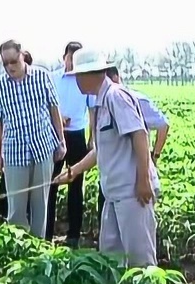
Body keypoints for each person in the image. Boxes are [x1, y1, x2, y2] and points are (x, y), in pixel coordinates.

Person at [53, 47, 159, 268]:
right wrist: (74, 171)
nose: (76, 82)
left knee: (141, 262)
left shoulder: (115, 97)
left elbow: (140, 135)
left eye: (78, 76)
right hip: (114, 193)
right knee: (111, 257)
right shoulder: (101, 102)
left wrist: (143, 180)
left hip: (132, 192)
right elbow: (102, 150)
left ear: (90, 75)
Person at [0, 39, 66, 238]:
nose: (9, 67)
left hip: (42, 147)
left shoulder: (42, 76)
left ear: (23, 55)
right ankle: (20, 248)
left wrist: (61, 140)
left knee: (41, 204)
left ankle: (39, 248)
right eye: (5, 63)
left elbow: (54, 108)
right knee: (16, 208)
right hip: (15, 151)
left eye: (13, 61)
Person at [98, 65, 169, 223]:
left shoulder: (132, 99)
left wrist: (154, 157)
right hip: (113, 180)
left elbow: (158, 127)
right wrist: (75, 170)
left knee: (137, 240)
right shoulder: (103, 102)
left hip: (132, 182)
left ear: (115, 78)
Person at [45, 41, 97, 247]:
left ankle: (73, 235)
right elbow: (46, 106)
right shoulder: (52, 78)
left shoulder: (84, 80)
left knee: (76, 185)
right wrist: (58, 118)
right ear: (64, 57)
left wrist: (91, 138)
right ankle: (46, 233)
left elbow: (92, 110)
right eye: (70, 57)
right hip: (54, 135)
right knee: (51, 184)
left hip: (76, 135)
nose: (72, 62)